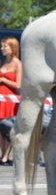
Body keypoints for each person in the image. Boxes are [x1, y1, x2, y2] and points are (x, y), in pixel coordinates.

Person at [0, 36, 22, 165]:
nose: (2, 48)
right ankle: (2, 153)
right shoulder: (2, 62)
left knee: (7, 127)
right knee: (0, 128)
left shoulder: (18, 64)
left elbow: (18, 85)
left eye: (5, 46)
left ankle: (6, 156)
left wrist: (4, 80)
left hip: (10, 99)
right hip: (0, 97)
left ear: (12, 48)